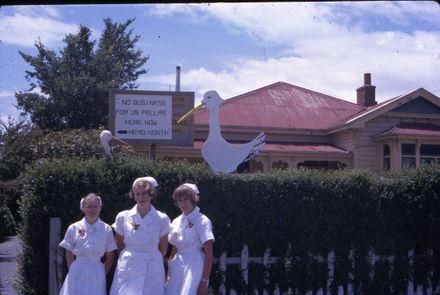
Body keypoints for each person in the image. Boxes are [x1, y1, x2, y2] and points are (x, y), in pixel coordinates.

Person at [110, 176, 171, 295]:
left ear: (151, 194)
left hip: (152, 264)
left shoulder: (162, 218)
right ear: (133, 195)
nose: (141, 197)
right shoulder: (123, 217)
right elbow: (119, 244)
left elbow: (163, 249)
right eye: (137, 194)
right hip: (129, 264)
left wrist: (151, 256)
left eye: (144, 193)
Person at [59, 193, 117, 295]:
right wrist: (73, 270)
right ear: (83, 208)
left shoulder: (106, 229)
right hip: (78, 268)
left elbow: (110, 256)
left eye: (95, 207)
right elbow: (69, 253)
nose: (92, 210)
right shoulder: (74, 228)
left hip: (97, 270)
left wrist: (102, 273)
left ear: (100, 208)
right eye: (89, 207)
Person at [165, 183, 215, 295]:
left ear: (193, 199)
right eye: (179, 200)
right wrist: (168, 274)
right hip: (178, 266)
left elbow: (209, 254)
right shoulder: (176, 221)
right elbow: (174, 250)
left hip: (195, 265)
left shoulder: (202, 221)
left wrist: (204, 281)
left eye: (186, 199)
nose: (183, 203)